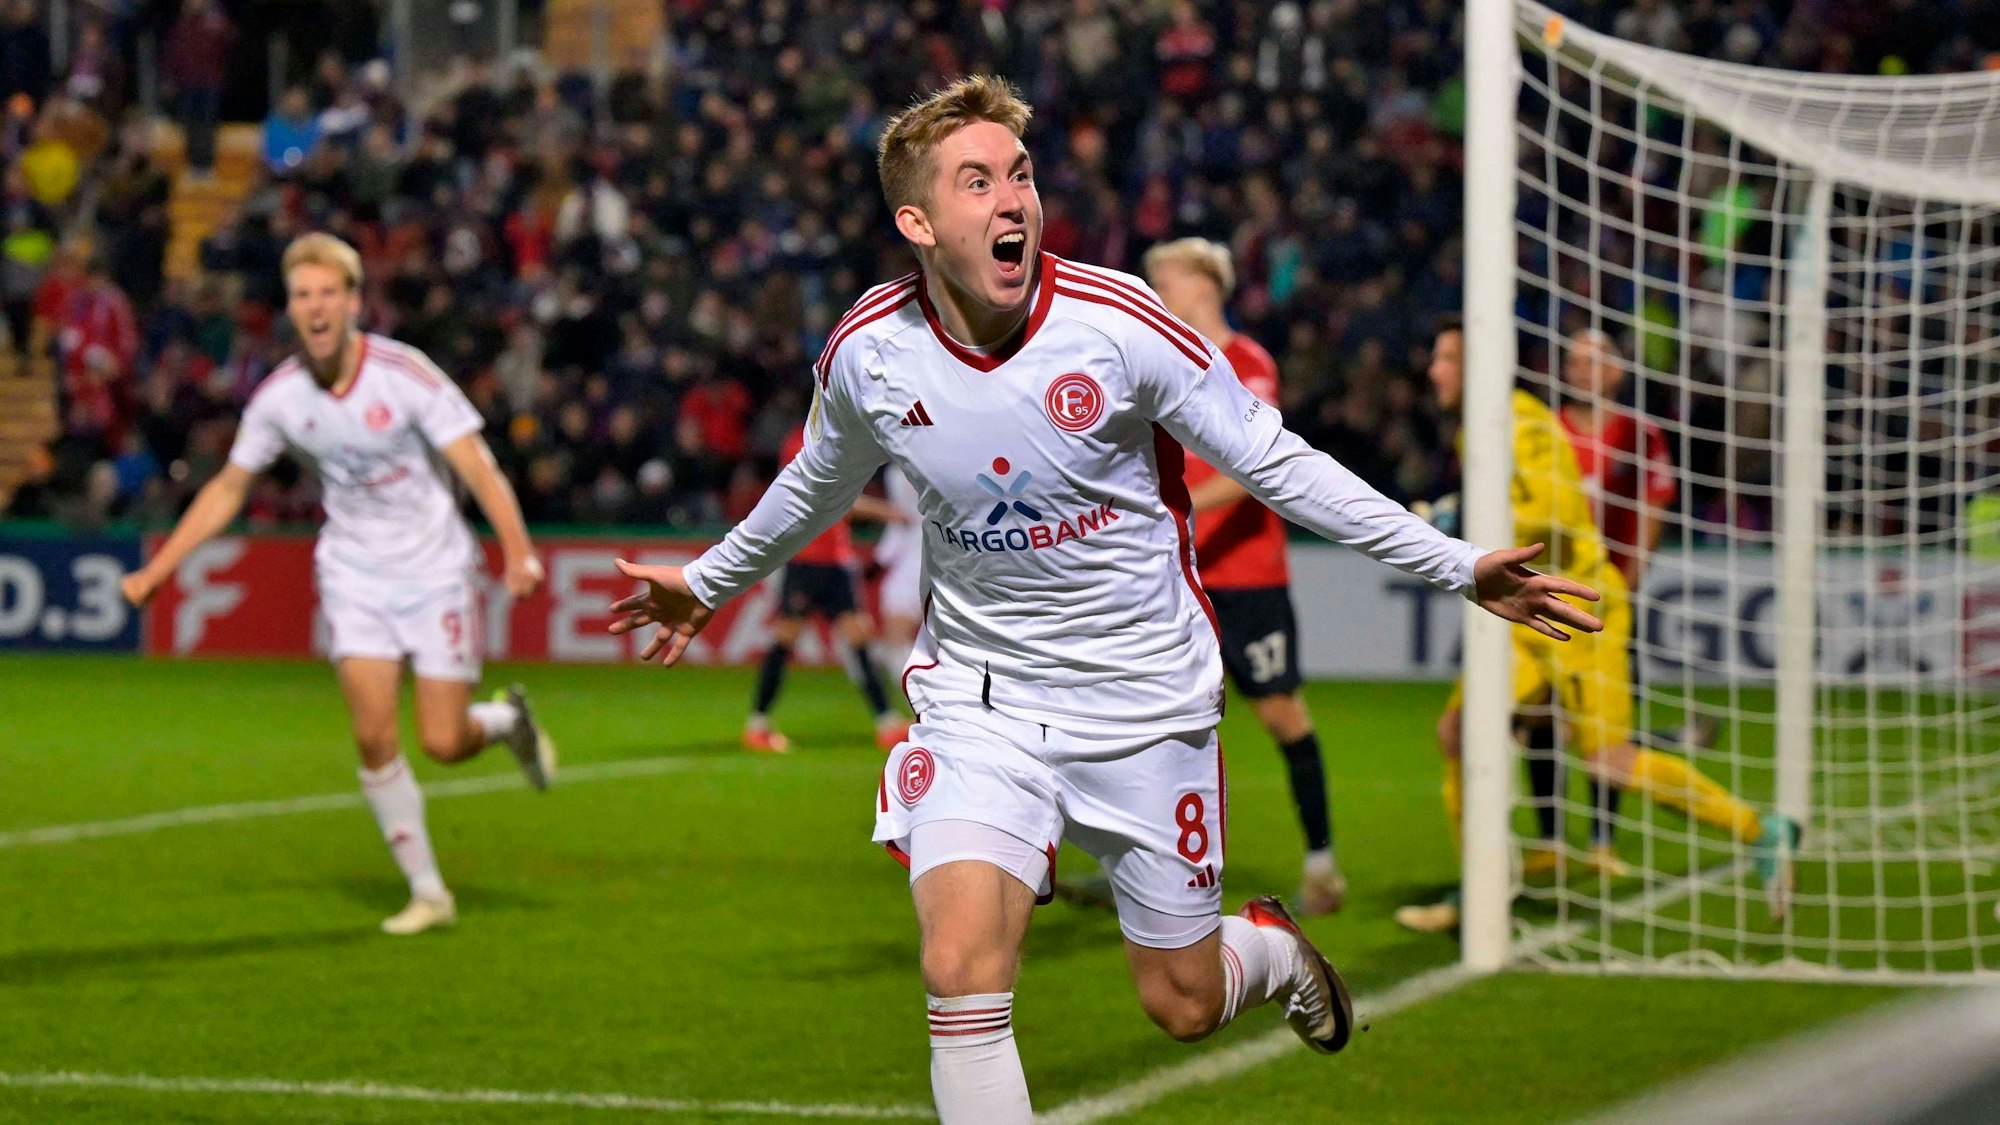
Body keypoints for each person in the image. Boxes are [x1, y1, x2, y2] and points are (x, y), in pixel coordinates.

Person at [607, 77, 1599, 1124]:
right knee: (958, 966)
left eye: (1020, 175)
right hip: (981, 702)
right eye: (976, 181)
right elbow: (818, 476)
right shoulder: (869, 351)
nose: (1012, 201)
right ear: (917, 223)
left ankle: (1267, 951)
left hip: (1144, 705)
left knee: (1182, 1001)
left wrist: (1456, 563)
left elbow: (1273, 461)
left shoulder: (1116, 324)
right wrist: (707, 581)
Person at [120, 232, 555, 936]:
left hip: (435, 570)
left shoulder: (404, 374)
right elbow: (229, 487)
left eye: (328, 293)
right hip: (353, 574)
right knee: (374, 736)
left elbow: (477, 465)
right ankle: (428, 891)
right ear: (290, 308)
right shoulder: (279, 398)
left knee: (443, 741)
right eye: (303, 295)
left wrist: (518, 551)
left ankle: (505, 722)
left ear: (353, 302)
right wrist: (158, 569)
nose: (316, 307)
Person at [1395, 320, 1796, 935]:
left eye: (1446, 358)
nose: (1433, 371)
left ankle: (1759, 828)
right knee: (1458, 733)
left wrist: (1466, 517)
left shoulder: (1523, 422)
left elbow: (1554, 513)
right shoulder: (1479, 426)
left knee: (1609, 761)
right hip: (1528, 610)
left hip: (1580, 608)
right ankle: (1481, 888)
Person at [1144, 237, 1345, 914]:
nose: (1157, 292)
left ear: (1204, 284)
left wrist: (1178, 510)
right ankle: (1151, 871)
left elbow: (1251, 470)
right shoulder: (1161, 364)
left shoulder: (1247, 363)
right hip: (1177, 578)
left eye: (1166, 280)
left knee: (1282, 715)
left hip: (1248, 577)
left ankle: (1322, 865)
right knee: (1157, 725)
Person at [744, 425, 915, 753]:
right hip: (806, 559)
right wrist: (887, 512)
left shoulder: (836, 432)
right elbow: (825, 497)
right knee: (786, 638)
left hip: (837, 562)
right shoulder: (801, 439)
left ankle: (886, 722)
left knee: (858, 637)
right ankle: (758, 724)